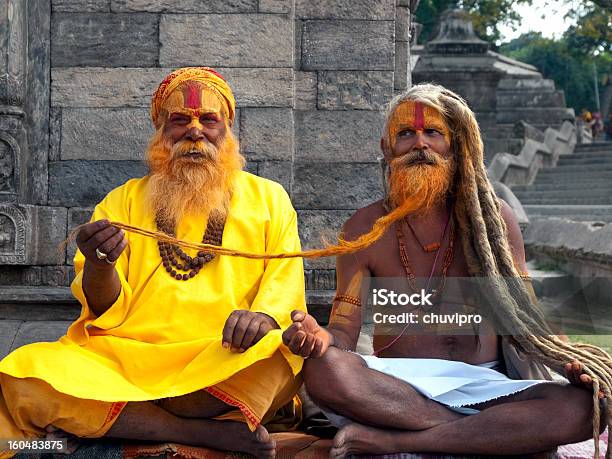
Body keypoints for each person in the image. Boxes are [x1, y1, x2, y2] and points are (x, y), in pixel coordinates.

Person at [282, 84, 605, 458]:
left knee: (585, 406)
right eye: (406, 134)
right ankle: (495, 435)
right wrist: (319, 339)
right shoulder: (363, 228)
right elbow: (343, 332)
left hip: (489, 386)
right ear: (387, 148)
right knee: (323, 372)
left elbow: (527, 317)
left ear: (454, 145)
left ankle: (401, 441)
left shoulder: (493, 220)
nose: (420, 144)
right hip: (396, 387)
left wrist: (567, 359)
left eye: (432, 132)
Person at [0, 67, 306, 459]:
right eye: (180, 120)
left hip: (222, 357)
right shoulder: (121, 202)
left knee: (277, 357)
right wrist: (99, 264)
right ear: (161, 130)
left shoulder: (269, 199)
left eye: (208, 120)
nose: (195, 132)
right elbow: (103, 309)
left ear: (227, 128)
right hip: (129, 360)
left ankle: (134, 421)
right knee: (23, 372)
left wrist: (261, 318)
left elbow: (284, 287)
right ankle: (197, 432)